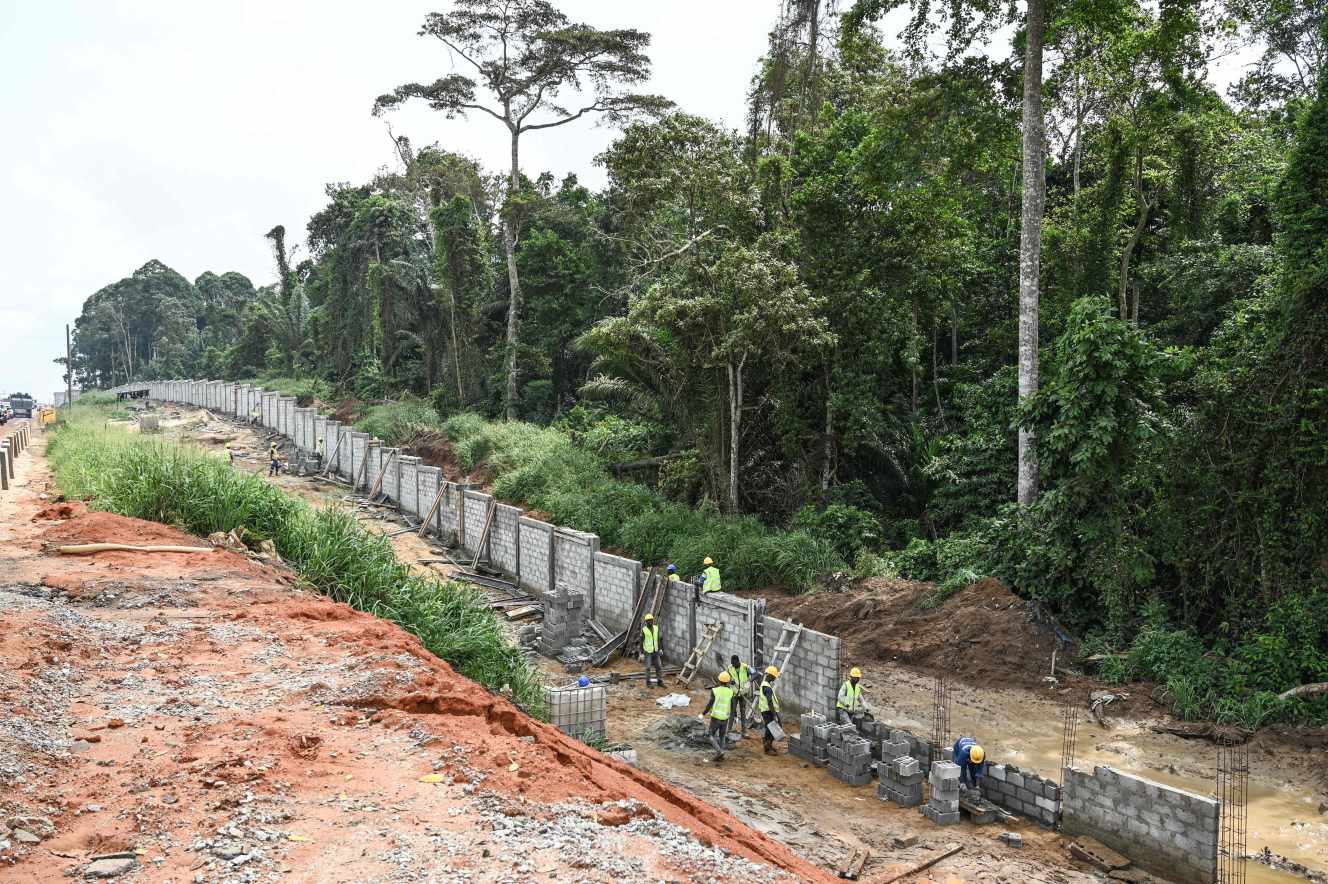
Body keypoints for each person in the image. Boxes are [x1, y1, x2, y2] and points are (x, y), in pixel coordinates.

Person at [699, 671, 735, 762]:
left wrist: (703, 713)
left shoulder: (715, 690)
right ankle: (721, 753)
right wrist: (735, 717)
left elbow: (710, 704)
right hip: (725, 718)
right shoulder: (731, 692)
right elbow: (733, 706)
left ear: (719, 681)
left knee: (709, 734)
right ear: (728, 682)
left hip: (715, 717)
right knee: (722, 736)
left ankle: (719, 751)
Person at [758, 665, 781, 756]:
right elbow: (770, 701)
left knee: (770, 728)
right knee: (774, 728)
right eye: (775, 676)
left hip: (766, 711)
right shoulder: (767, 687)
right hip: (768, 712)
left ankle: (768, 745)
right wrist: (774, 715)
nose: (775, 677)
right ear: (771, 676)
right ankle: (767, 747)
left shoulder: (765, 684)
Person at [726, 654, 752, 734]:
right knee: (732, 712)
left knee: (743, 712)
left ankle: (744, 731)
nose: (733, 665)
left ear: (738, 661)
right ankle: (729, 730)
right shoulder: (729, 668)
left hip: (744, 693)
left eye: (734, 663)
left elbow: (756, 673)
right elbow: (726, 678)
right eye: (732, 663)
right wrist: (730, 681)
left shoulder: (745, 667)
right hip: (734, 694)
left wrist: (749, 681)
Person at [641, 613, 664, 687]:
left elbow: (659, 639)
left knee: (659, 667)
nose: (650, 622)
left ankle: (660, 681)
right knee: (648, 668)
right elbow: (641, 641)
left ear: (653, 620)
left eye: (651, 620)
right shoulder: (644, 630)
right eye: (648, 621)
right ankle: (648, 683)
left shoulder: (656, 628)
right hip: (648, 652)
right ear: (646, 622)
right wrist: (641, 652)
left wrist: (660, 649)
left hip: (656, 651)